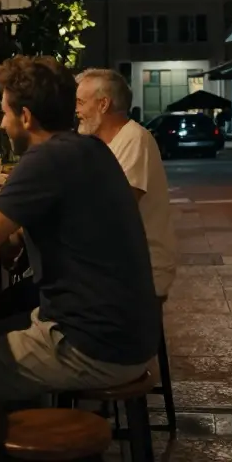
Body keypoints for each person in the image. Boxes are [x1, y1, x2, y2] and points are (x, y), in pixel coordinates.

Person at [0, 56, 159, 456]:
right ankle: (23, 428)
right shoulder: (90, 150)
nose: (3, 123)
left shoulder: (44, 160)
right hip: (131, 334)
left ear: (25, 116)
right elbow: (26, 237)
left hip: (90, 344)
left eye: (6, 112)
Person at [76, 68, 177, 300]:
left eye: (81, 102)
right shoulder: (102, 144)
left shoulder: (134, 139)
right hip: (118, 268)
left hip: (139, 272)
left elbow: (115, 208)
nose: (76, 110)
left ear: (103, 104)